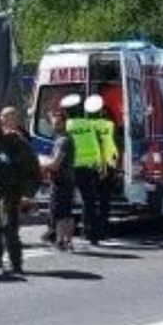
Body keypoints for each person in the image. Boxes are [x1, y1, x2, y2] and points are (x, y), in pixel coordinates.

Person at [0, 107, 41, 275]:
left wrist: (28, 192)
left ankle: (16, 263)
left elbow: (31, 165)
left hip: (11, 189)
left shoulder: (12, 139)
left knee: (9, 227)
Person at [66, 94, 108, 244]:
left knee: (65, 201)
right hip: (88, 168)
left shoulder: (67, 126)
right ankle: (90, 233)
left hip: (70, 169)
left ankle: (57, 232)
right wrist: (101, 166)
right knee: (89, 201)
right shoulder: (90, 124)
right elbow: (99, 145)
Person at [45, 106, 78, 251]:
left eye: (56, 123)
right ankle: (68, 241)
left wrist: (40, 165)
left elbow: (55, 164)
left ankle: (60, 241)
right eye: (52, 122)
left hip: (61, 180)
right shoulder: (64, 138)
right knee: (67, 212)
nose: (53, 125)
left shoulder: (63, 140)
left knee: (59, 212)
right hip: (68, 178)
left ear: (64, 123)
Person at [85, 95, 120, 226]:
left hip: (92, 165)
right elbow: (116, 144)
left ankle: (92, 225)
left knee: (91, 198)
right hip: (107, 165)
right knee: (104, 198)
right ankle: (102, 224)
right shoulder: (109, 125)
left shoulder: (86, 125)